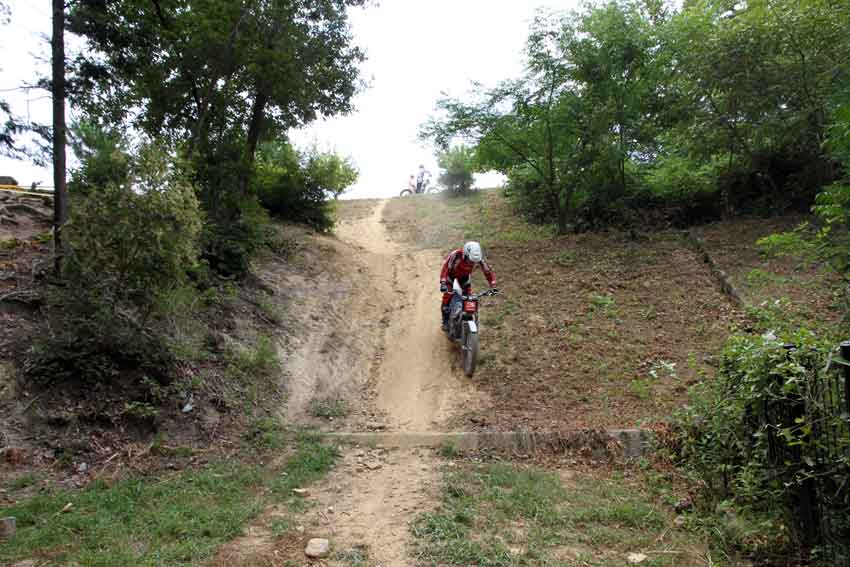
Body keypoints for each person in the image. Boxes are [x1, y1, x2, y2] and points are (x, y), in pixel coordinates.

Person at [439, 241, 497, 331]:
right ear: (465, 254)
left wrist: (493, 285)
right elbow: (445, 268)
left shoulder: (479, 259)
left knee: (469, 299)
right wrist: (443, 282)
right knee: (447, 296)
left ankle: (467, 321)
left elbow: (487, 271)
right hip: (450, 276)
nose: (471, 263)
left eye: (474, 262)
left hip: (464, 278)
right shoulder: (456, 255)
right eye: (470, 260)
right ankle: (445, 321)